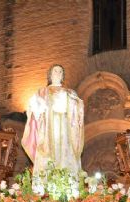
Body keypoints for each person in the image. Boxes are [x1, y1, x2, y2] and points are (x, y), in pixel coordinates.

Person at [21, 64, 85, 194]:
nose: (58, 73)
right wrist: (37, 106)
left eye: (60, 71)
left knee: (66, 154)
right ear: (50, 75)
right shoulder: (42, 92)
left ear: (63, 76)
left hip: (66, 131)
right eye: (55, 71)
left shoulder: (70, 93)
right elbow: (33, 108)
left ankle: (70, 189)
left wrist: (76, 103)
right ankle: (43, 191)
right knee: (48, 157)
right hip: (48, 131)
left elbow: (78, 109)